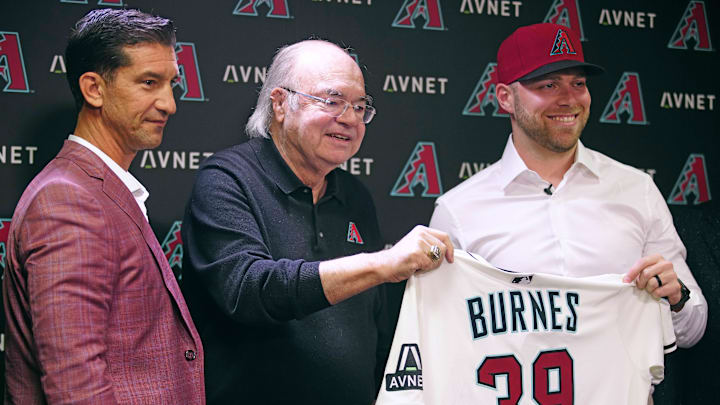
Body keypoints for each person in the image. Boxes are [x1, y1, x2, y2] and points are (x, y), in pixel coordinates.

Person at [181, 39, 453, 405]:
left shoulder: (355, 197)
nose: (351, 118)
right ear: (280, 103)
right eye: (333, 101)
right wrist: (381, 264)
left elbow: (376, 327)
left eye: (360, 107)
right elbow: (248, 291)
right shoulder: (227, 180)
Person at [430, 23, 706, 350]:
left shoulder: (637, 189)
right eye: (548, 85)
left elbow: (692, 329)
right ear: (505, 97)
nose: (569, 99)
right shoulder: (459, 210)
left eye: (578, 83)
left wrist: (676, 297)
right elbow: (439, 340)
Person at [3, 9, 205, 404]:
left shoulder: (92, 189)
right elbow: (75, 385)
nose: (169, 104)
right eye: (149, 83)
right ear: (94, 89)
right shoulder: (68, 200)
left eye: (171, 85)